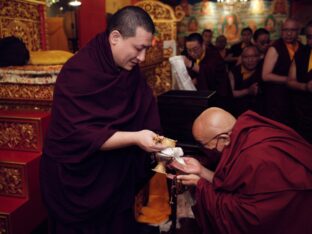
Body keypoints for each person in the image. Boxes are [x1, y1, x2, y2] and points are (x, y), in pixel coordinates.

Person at [40, 6, 168, 234]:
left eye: (146, 49)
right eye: (138, 49)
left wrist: (160, 146)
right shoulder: (78, 73)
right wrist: (137, 138)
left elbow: (144, 108)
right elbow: (81, 135)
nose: (142, 58)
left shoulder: (128, 72)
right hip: (78, 182)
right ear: (115, 37)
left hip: (116, 179)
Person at [170, 107, 312, 234]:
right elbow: (233, 184)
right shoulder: (247, 131)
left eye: (204, 145)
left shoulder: (257, 158)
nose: (205, 151)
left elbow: (248, 215)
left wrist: (201, 185)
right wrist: (201, 170)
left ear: (224, 138)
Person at [262, 18, 302, 126]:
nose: (289, 33)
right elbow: (265, 76)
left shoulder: (302, 47)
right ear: (281, 31)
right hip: (277, 96)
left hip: (296, 97)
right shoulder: (275, 48)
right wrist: (290, 81)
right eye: (285, 30)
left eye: (293, 30)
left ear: (298, 32)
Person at [183, 33, 232, 110]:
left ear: (203, 45)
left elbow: (210, 73)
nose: (192, 53)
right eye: (189, 50)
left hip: (218, 97)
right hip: (201, 97)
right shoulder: (190, 56)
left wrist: (191, 64)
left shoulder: (214, 55)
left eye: (195, 49)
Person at [287, 20, 312, 143]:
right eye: (309, 37)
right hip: (303, 111)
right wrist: (305, 86)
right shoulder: (302, 52)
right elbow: (290, 81)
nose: (310, 41)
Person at [228, 46, 263, 116]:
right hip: (237, 113)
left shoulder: (262, 70)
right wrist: (248, 91)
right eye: (246, 57)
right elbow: (230, 93)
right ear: (241, 58)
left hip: (258, 113)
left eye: (254, 56)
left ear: (259, 57)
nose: (250, 60)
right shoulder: (234, 72)